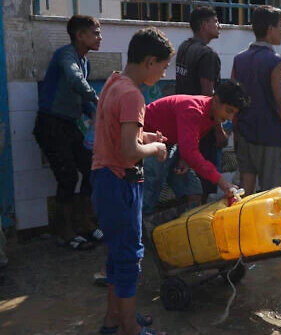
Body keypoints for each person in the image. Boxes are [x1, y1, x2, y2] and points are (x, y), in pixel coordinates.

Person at [91, 27, 174, 335]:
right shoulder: (133, 95)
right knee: (128, 259)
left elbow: (118, 136)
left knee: (117, 255)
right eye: (163, 67)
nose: (163, 74)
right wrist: (155, 148)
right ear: (150, 61)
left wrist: (144, 136)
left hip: (103, 178)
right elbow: (129, 150)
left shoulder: (113, 83)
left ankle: (113, 320)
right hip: (120, 182)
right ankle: (130, 328)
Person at [33, 15, 103, 251]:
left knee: (91, 169)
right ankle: (63, 232)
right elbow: (75, 81)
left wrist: (95, 111)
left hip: (69, 125)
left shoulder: (86, 61)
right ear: (79, 35)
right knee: (68, 176)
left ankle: (85, 223)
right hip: (50, 124)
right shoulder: (67, 55)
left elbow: (79, 97)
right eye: (95, 32)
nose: (99, 37)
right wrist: (97, 100)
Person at [142, 80, 250, 214]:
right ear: (216, 100)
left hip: (171, 144)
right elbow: (190, 152)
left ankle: (186, 228)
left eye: (234, 113)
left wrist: (184, 158)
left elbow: (189, 143)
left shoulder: (212, 113)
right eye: (228, 111)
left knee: (194, 191)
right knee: (149, 194)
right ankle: (141, 228)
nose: (229, 117)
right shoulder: (193, 110)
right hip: (147, 142)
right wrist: (222, 182)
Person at [232, 5, 281, 195]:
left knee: (245, 192)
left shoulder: (239, 59)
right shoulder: (275, 61)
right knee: (272, 195)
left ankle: (243, 225)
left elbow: (234, 100)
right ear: (270, 30)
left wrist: (236, 133)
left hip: (246, 135)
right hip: (270, 137)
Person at [175, 6, 227, 202]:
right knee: (204, 179)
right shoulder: (207, 55)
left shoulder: (184, 48)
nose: (219, 25)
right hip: (201, 127)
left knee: (187, 178)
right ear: (204, 26)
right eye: (215, 21)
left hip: (183, 122)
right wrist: (218, 129)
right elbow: (208, 96)